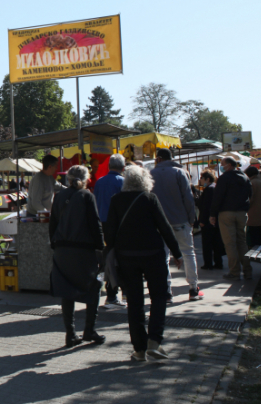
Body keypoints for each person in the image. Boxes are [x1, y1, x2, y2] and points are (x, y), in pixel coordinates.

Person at [104, 165, 183, 361]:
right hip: (153, 255)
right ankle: (154, 342)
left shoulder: (116, 201)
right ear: (146, 181)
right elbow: (164, 227)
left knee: (134, 302)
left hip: (126, 257)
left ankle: (139, 349)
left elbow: (110, 232)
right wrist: (177, 253)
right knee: (158, 297)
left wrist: (108, 257)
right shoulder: (150, 198)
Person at [49, 165, 105, 348]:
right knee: (93, 287)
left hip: (62, 250)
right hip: (82, 250)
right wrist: (100, 248)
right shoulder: (87, 196)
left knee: (67, 289)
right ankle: (89, 329)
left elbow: (53, 224)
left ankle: (70, 334)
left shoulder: (59, 196)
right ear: (86, 178)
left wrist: (55, 245)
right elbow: (95, 225)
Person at [150, 148, 203, 302]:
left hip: (160, 223)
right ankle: (193, 288)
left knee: (164, 257)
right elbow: (188, 198)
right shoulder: (180, 173)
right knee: (188, 253)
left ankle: (166, 291)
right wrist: (192, 218)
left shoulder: (151, 174)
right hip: (180, 220)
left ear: (158, 159)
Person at [210, 156, 253, 281]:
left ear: (228, 165)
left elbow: (217, 197)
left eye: (222, 164)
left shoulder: (224, 178)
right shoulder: (245, 177)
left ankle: (234, 271)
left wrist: (212, 214)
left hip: (226, 213)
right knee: (242, 242)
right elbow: (250, 194)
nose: (221, 166)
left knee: (230, 244)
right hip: (242, 213)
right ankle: (247, 271)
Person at [93, 153, 126, 307]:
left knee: (106, 258)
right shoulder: (122, 182)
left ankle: (106, 289)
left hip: (101, 224)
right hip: (117, 226)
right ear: (123, 167)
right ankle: (114, 294)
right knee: (117, 260)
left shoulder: (99, 182)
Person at [196, 171, 225, 270]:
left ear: (207, 179)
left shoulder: (209, 189)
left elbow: (206, 207)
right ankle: (218, 262)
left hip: (208, 221)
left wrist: (202, 221)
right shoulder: (214, 187)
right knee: (216, 242)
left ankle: (208, 263)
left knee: (207, 244)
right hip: (216, 220)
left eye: (202, 178)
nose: (200, 180)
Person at [245, 167, 261, 248]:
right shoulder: (260, 182)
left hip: (253, 212)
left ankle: (253, 249)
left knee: (253, 235)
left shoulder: (251, 183)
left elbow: (250, 199)